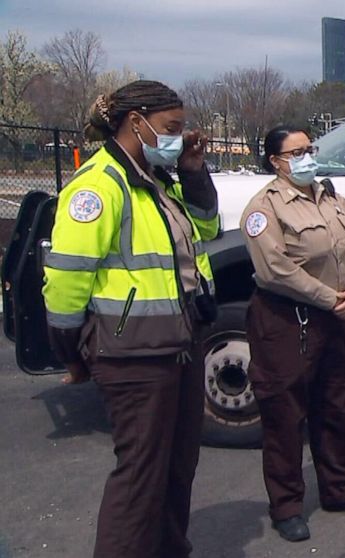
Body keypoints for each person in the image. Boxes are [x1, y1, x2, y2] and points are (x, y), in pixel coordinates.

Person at [43, 80, 219, 558]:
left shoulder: (156, 182)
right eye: (171, 129)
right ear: (135, 121)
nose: (179, 138)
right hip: (133, 356)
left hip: (178, 344)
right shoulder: (100, 186)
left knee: (178, 468)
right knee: (140, 476)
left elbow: (206, 226)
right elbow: (65, 283)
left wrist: (194, 171)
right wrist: (74, 353)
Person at [241, 125, 345, 542]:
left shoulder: (334, 198)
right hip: (287, 321)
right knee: (285, 417)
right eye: (297, 152)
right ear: (276, 162)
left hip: (337, 316)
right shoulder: (262, 208)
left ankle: (341, 489)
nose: (307, 157)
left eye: (310, 148)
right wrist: (329, 297)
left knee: (336, 406)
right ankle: (286, 506)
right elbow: (274, 269)